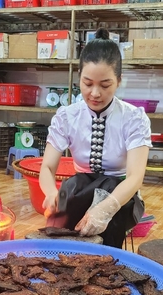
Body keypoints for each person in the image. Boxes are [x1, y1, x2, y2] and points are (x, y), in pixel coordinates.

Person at [39, 28, 152, 248]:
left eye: (105, 85)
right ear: (79, 77)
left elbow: (134, 178)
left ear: (119, 81)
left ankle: (107, 266)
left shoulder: (133, 118)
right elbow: (47, 169)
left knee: (109, 185)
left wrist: (105, 208)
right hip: (80, 190)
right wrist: (51, 192)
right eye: (87, 84)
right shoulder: (67, 116)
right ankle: (60, 260)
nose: (95, 93)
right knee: (69, 191)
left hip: (121, 194)